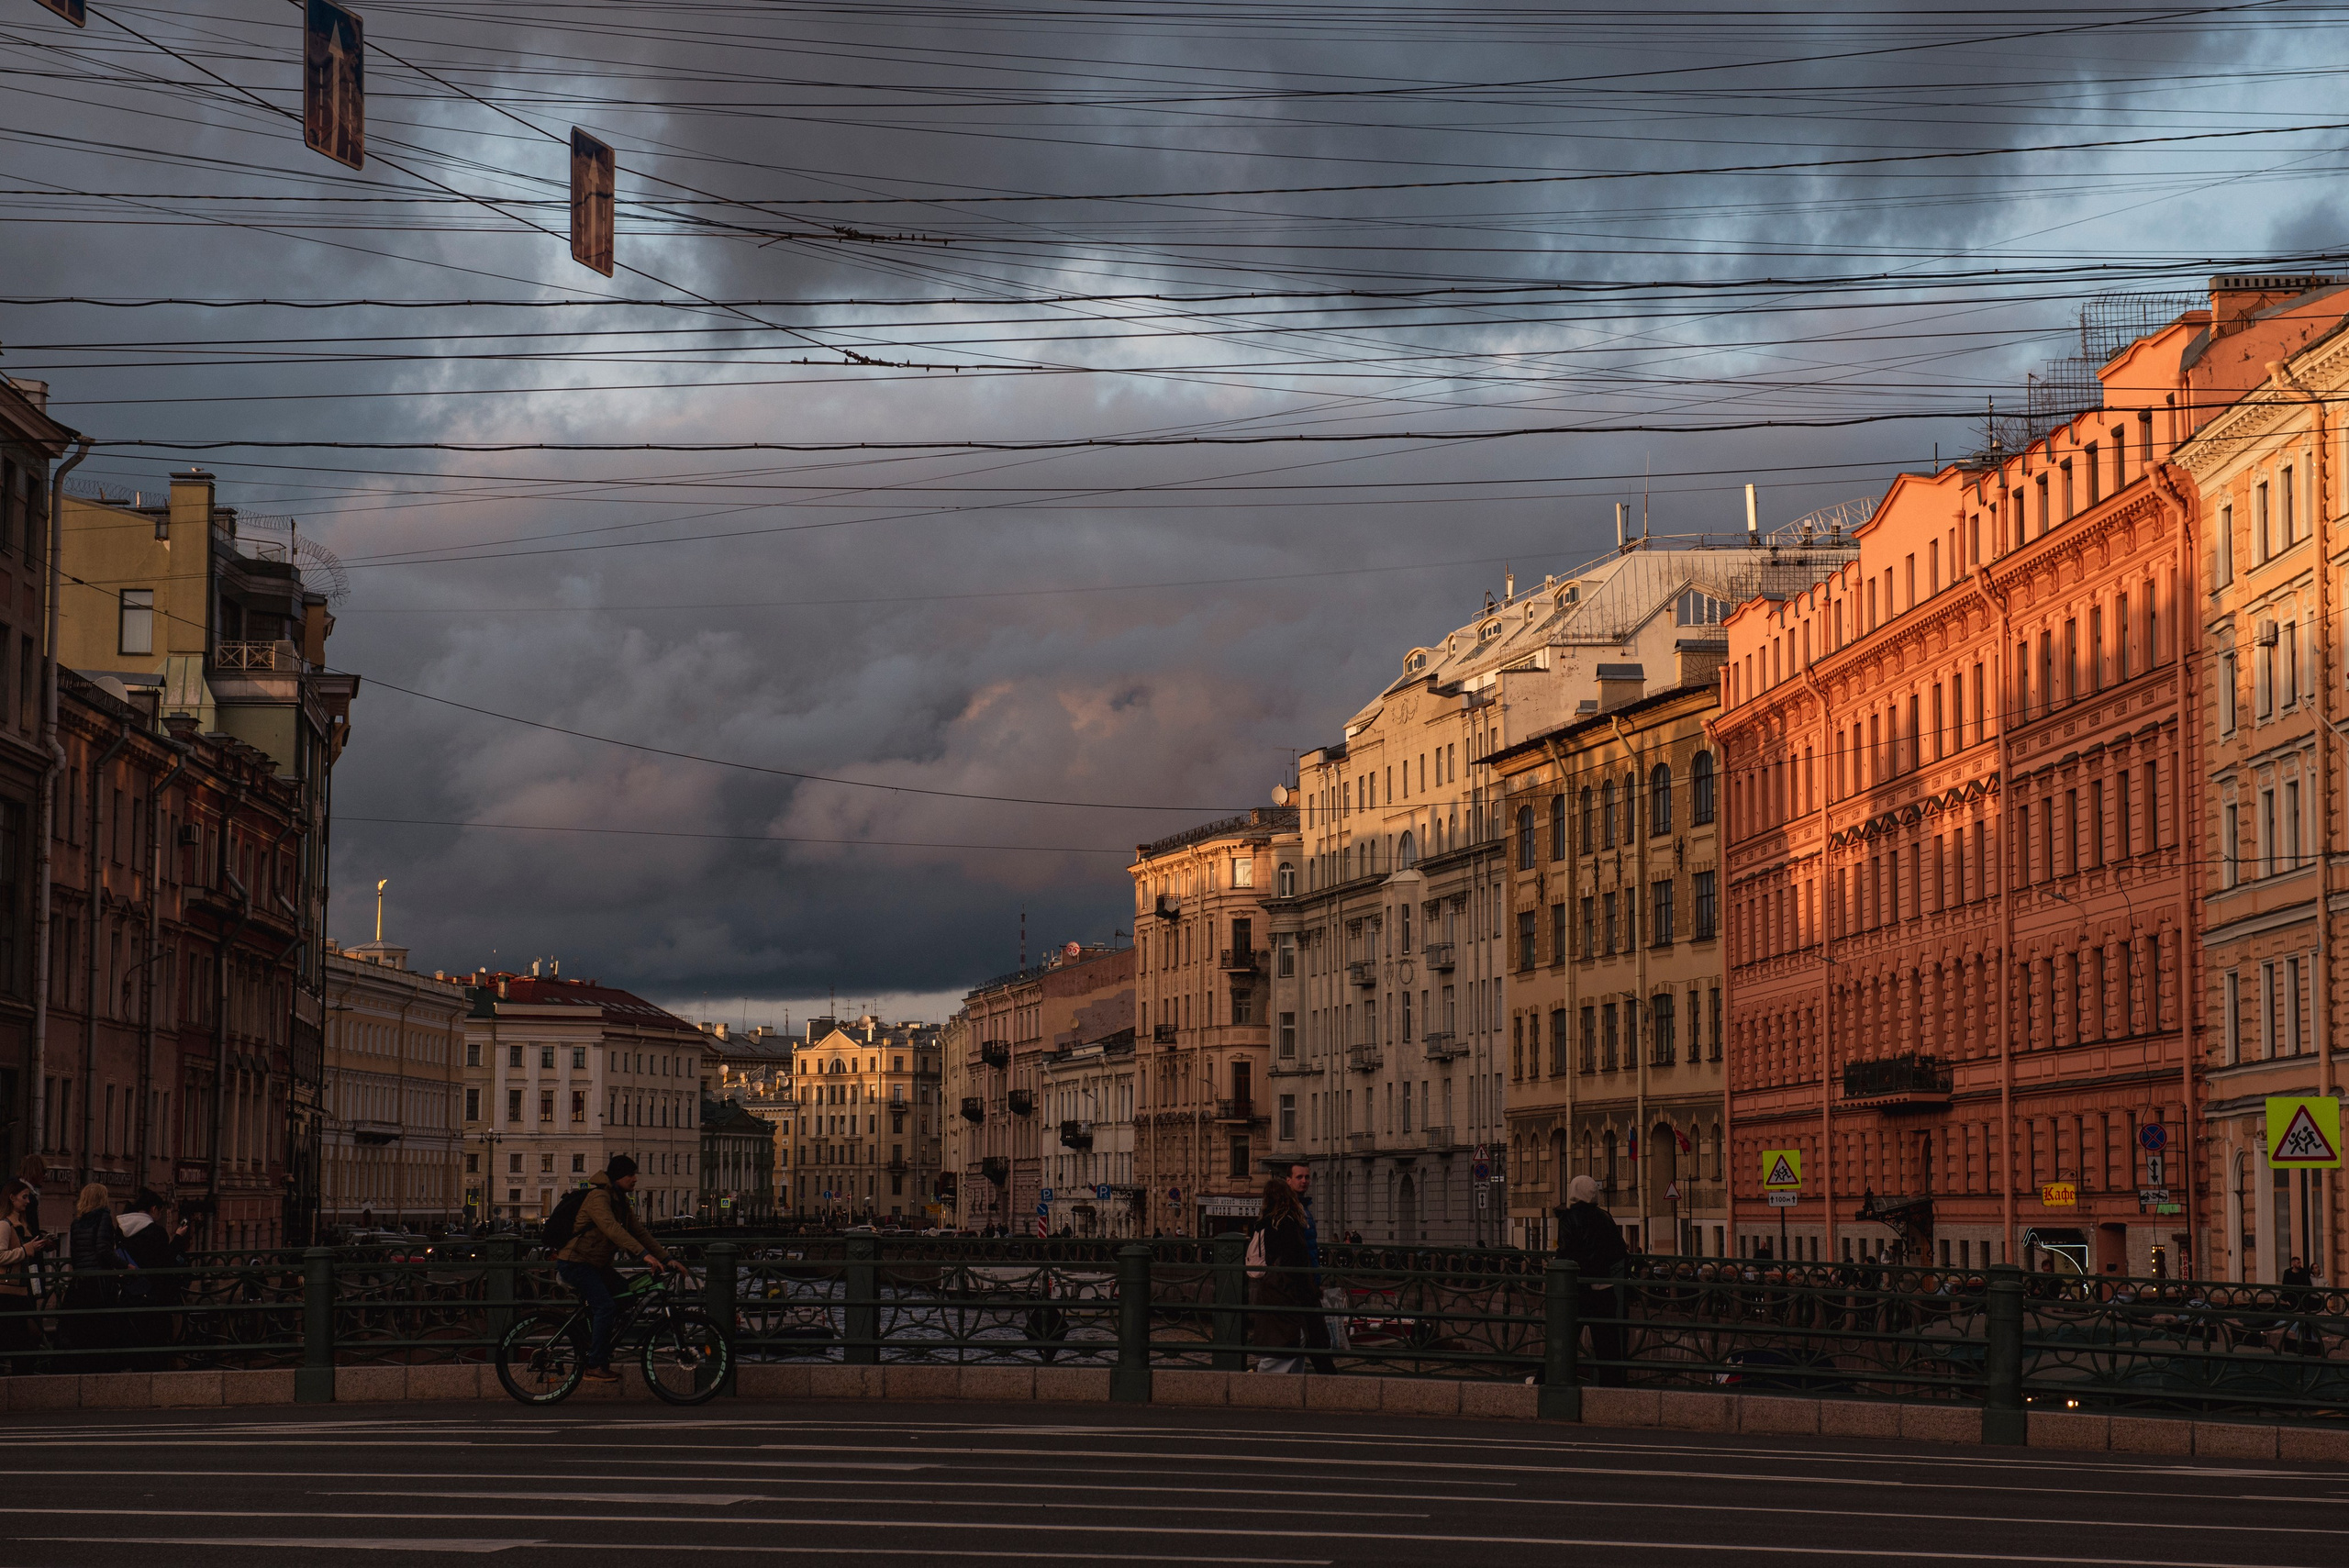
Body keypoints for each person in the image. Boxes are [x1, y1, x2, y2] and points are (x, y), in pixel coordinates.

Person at [552, 1156, 687, 1382]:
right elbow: (612, 1229)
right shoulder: (599, 1197)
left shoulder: (621, 1200)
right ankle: (594, 1364)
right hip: (576, 1262)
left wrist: (666, 1257)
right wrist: (644, 1255)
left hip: (595, 1264)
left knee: (625, 1294)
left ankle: (595, 1341)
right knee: (605, 1307)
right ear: (618, 1177)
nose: (635, 1179)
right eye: (630, 1175)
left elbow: (639, 1232)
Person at [1553, 1174, 1630, 1386]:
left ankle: (1550, 1380)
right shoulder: (1605, 1217)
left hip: (1578, 1288)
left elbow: (1566, 1252)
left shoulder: (1569, 1218)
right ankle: (1611, 1386)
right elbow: (1619, 1251)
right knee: (1607, 1341)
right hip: (1604, 1286)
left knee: (1563, 1337)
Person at [1250, 1170, 1318, 1374]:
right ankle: (1265, 1375)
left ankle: (1289, 1379)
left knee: (1285, 1335)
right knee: (1296, 1335)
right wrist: (1311, 1286)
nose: (1304, 1181)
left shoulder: (1263, 1222)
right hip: (1288, 1289)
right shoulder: (1289, 1222)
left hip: (1270, 1287)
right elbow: (1297, 1259)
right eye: (1299, 1177)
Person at [117, 1190, 190, 1365]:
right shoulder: (156, 1232)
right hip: (154, 1297)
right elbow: (165, 1261)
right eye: (160, 1211)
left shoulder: (121, 1230)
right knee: (156, 1344)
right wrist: (178, 1239)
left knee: (135, 1344)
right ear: (153, 1209)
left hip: (129, 1293)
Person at [65, 1183, 128, 1372]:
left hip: (80, 1282)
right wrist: (124, 1265)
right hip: (99, 1282)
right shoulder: (104, 1218)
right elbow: (103, 1251)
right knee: (103, 1327)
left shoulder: (76, 1223)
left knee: (82, 1328)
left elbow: (75, 1255)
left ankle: (81, 1367)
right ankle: (104, 1368)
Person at [0, 1177, 57, 1371]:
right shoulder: (4, 1225)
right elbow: (0, 1255)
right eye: (24, 1197)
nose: (28, 1201)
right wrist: (26, 1250)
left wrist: (38, 1246)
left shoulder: (22, 1223)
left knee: (28, 1335)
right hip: (9, 1290)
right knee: (23, 1336)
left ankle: (22, 1378)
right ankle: (20, 1379)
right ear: (11, 1197)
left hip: (24, 1288)